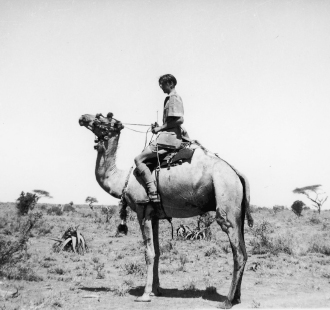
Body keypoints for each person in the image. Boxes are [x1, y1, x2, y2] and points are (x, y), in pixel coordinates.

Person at [134, 74, 186, 202]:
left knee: (138, 159)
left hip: (169, 139)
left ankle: (152, 191)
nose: (161, 87)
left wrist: (160, 128)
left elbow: (180, 120)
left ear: (171, 84)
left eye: (162, 84)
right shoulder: (170, 98)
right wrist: (161, 127)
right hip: (169, 136)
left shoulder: (173, 97)